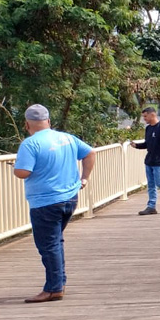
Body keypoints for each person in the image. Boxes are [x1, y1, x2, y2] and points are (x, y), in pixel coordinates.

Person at [13, 104, 96, 303]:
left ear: (27, 124)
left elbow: (22, 172)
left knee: (48, 245)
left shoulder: (30, 144)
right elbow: (90, 153)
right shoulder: (67, 138)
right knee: (55, 242)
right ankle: (59, 282)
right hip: (70, 198)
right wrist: (84, 178)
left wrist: (16, 167)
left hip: (45, 202)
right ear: (48, 121)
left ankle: (53, 288)